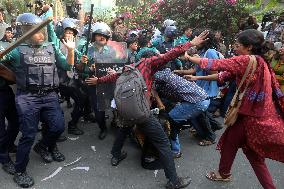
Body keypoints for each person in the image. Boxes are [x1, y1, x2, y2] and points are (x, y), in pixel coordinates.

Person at [84, 30, 209, 189]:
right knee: (163, 142)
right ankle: (173, 180)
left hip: (125, 110)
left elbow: (114, 75)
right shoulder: (150, 63)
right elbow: (169, 55)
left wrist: (98, 80)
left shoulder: (130, 66)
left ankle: (116, 156)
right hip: (142, 112)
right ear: (151, 57)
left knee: (123, 129)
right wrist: (190, 44)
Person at [186, 29, 284, 189]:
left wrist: (190, 57)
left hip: (250, 118)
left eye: (238, 45)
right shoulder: (260, 61)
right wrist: (198, 77)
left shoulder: (248, 60)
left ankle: (224, 174)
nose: (234, 47)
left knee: (249, 153)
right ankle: (224, 173)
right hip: (251, 114)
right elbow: (222, 75)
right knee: (245, 151)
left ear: (249, 47)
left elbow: (217, 65)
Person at [0, 12, 75, 188]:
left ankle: (42, 146)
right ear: (25, 31)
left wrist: (71, 51)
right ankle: (20, 171)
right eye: (36, 31)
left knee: (58, 126)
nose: (42, 35)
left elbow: (67, 66)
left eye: (43, 31)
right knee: (28, 134)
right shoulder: (16, 51)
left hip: (49, 95)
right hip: (28, 97)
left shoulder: (51, 47)